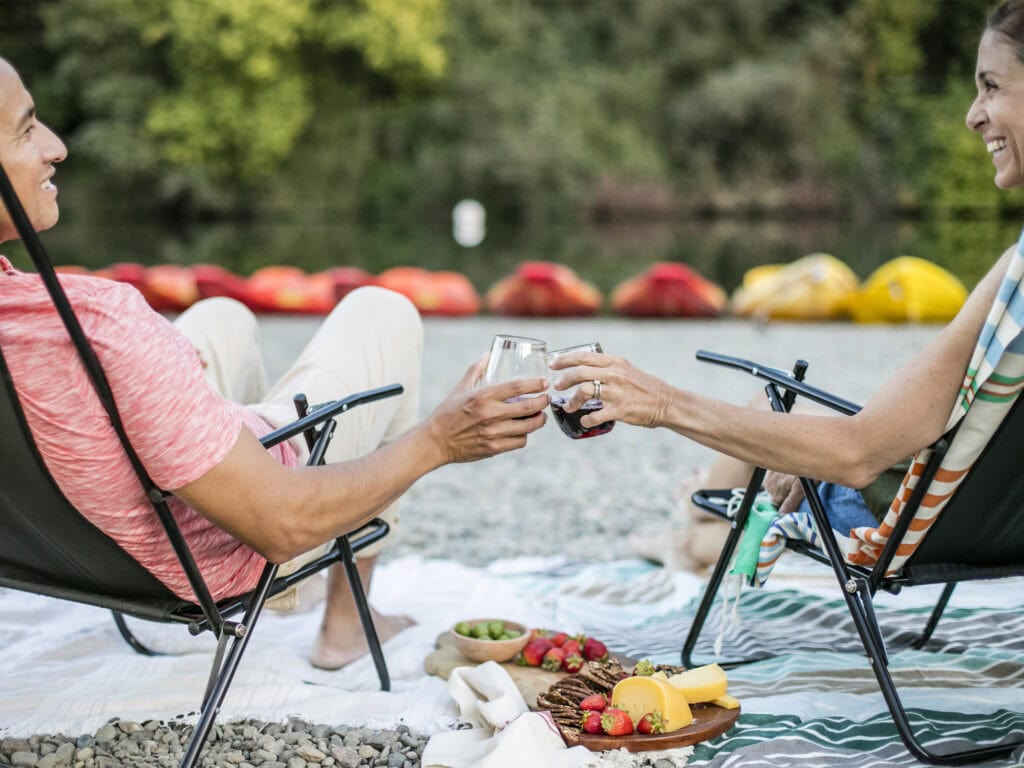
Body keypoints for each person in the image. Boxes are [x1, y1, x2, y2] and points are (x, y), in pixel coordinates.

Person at [0, 55, 550, 669]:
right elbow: (280, 523)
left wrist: (166, 380)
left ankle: (303, 577)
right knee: (381, 311)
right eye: (25, 129)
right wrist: (440, 440)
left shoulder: (37, 318)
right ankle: (344, 624)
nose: (55, 147)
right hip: (208, 542)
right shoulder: (100, 321)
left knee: (223, 319)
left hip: (76, 547)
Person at [550, 0, 1024, 573]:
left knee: (751, 434)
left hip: (906, 520)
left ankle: (683, 537)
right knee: (769, 445)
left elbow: (857, 455)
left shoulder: (1017, 271)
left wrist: (659, 401)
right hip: (1001, 528)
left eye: (991, 86)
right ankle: (688, 521)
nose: (974, 115)